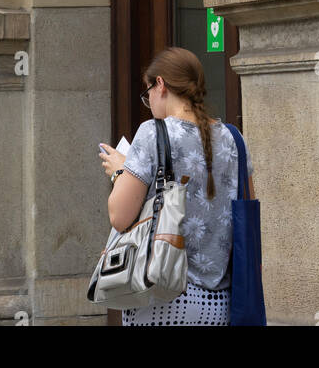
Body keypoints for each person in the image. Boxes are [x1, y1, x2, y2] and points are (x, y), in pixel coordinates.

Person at [98, 45, 255, 326]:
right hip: (222, 305)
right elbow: (245, 217)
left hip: (163, 297)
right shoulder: (234, 140)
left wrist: (121, 171)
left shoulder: (152, 132)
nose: (150, 105)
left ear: (160, 85)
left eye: (148, 95)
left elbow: (119, 217)